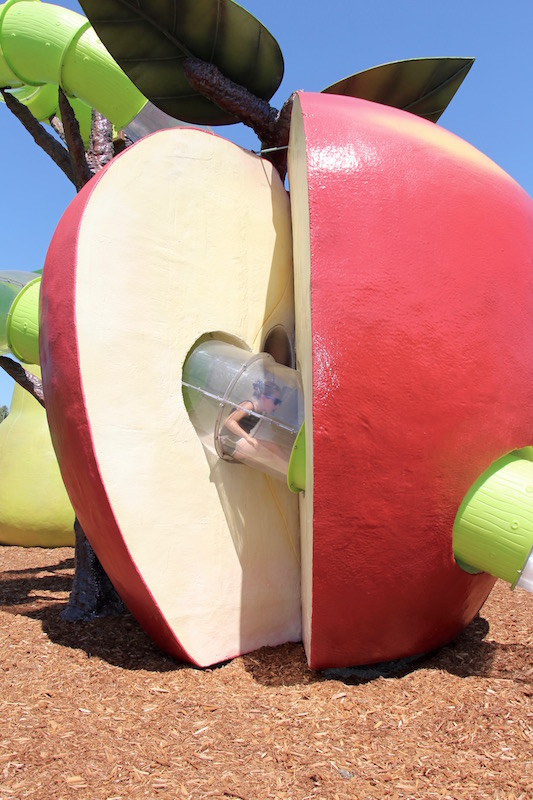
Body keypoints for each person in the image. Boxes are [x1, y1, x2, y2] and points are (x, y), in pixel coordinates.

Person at [219, 380, 289, 474]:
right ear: (264, 397)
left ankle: (290, 474)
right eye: (276, 402)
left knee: (270, 458)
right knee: (274, 449)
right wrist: (248, 438)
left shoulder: (259, 411)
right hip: (228, 441)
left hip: (234, 443)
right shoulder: (249, 405)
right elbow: (229, 421)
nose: (278, 406)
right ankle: (295, 475)